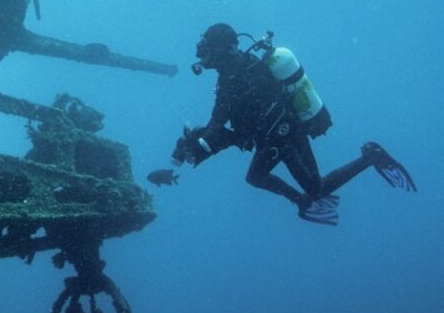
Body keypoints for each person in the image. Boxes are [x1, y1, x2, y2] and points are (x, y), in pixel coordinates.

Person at [171, 22, 416, 225]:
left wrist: (200, 142)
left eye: (207, 50)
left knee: (316, 188)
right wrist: (197, 142)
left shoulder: (238, 76)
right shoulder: (236, 73)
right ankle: (301, 200)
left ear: (222, 49)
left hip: (284, 135)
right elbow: (231, 127)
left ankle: (371, 156)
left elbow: (220, 122)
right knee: (257, 177)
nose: (201, 56)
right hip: (273, 136)